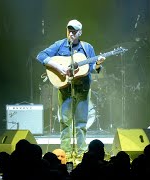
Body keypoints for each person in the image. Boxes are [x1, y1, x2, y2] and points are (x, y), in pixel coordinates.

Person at [36, 19, 105, 161]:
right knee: (65, 121)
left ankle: (81, 152)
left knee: (81, 123)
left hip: (83, 88)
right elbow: (41, 56)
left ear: (80, 32)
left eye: (74, 31)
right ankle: (65, 152)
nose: (71, 33)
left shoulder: (87, 48)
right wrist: (58, 67)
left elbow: (91, 68)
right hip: (65, 88)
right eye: (69, 30)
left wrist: (97, 64)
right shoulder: (59, 45)